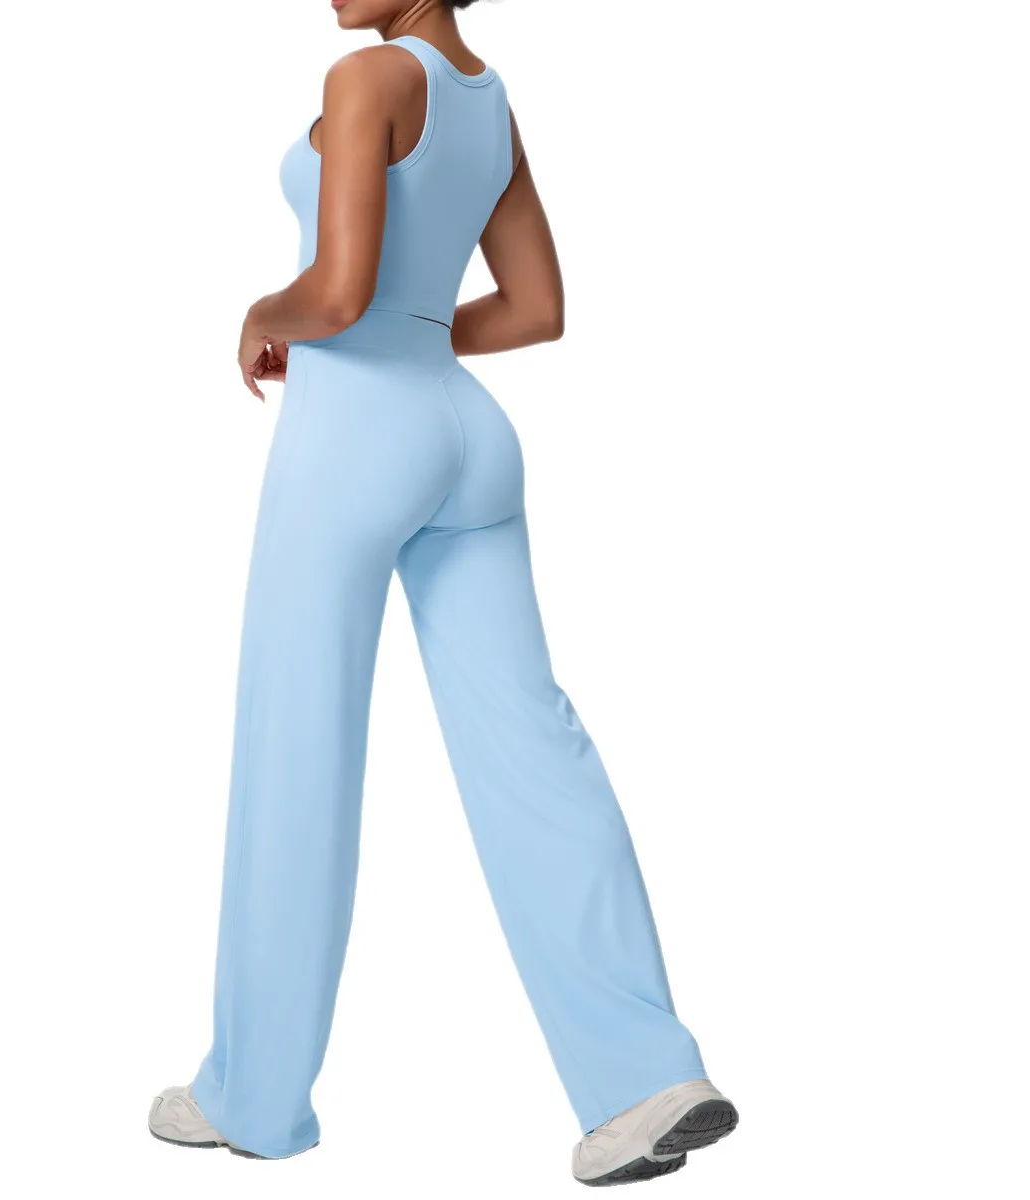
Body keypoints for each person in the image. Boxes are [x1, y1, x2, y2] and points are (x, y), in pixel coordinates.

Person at [148, 0, 737, 1186]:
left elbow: (336, 292)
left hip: (353, 438)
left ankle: (252, 1095)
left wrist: (262, 317)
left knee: (297, 749)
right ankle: (646, 1081)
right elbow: (535, 309)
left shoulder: (368, 81)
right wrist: (415, 341)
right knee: (535, 746)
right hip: (468, 439)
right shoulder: (490, 101)